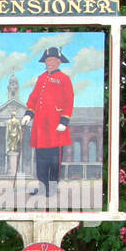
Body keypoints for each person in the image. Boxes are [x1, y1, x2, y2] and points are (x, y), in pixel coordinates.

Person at [23, 46, 74, 201]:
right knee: (41, 158)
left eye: (52, 60)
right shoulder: (41, 78)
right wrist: (28, 114)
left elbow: (69, 100)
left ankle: (52, 188)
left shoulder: (64, 79)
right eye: (47, 60)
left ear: (59, 61)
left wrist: (64, 121)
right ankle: (42, 186)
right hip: (40, 126)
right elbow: (34, 97)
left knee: (53, 158)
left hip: (55, 126)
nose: (49, 63)